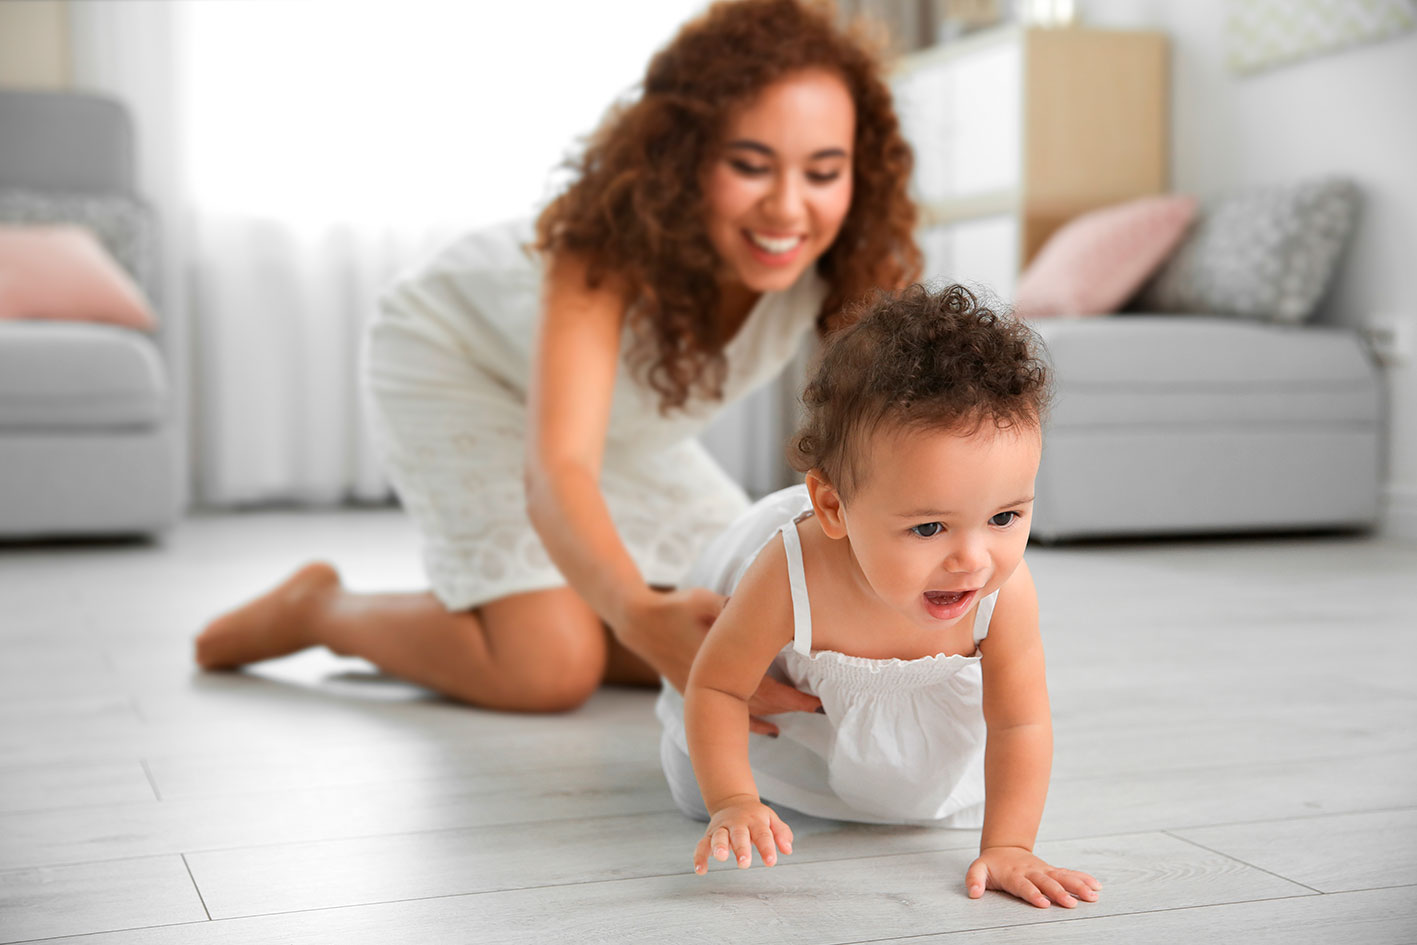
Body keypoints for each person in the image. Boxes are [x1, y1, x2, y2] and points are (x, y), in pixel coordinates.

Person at [193, 0, 921, 721]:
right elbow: (558, 470)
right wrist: (634, 610)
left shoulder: (844, 263)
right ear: (683, 157)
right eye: (749, 165)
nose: (788, 209)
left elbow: (897, 446)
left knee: (749, 626)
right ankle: (321, 607)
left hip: (616, 431)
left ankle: (554, 602)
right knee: (548, 666)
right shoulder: (601, 247)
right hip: (459, 363)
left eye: (823, 172)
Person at [657, 284, 1102, 910]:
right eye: (928, 527)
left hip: (910, 767)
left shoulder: (1004, 594)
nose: (972, 560)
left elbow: (1019, 720)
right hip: (785, 754)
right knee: (688, 781)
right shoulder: (793, 574)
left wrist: (1010, 844)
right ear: (834, 508)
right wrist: (733, 800)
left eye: (1005, 517)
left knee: (922, 803)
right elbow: (718, 688)